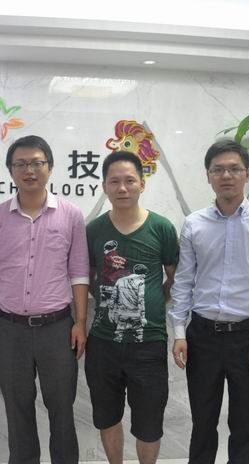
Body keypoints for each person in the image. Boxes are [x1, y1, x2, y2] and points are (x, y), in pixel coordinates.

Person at [170, 139, 249, 464]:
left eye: (234, 169)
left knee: (245, 426)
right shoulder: (194, 223)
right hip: (202, 337)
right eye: (218, 169)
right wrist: (179, 333)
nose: (226, 175)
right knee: (202, 423)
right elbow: (184, 281)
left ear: (247, 174)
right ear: (208, 175)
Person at [0, 135, 89, 464]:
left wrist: (80, 322)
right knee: (17, 410)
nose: (29, 170)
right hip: (10, 328)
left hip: (57, 328)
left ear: (50, 168)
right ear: (11, 171)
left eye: (36, 163)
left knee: (61, 408)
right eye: (21, 164)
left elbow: (79, 272)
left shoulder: (71, 215)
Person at [85, 151, 179, 464]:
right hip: (103, 343)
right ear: (104, 187)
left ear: (142, 184)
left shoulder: (161, 227)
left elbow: (174, 278)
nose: (122, 188)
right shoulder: (94, 230)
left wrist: (154, 299)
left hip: (149, 343)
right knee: (106, 416)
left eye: (129, 181)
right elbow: (88, 278)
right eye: (114, 182)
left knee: (149, 424)